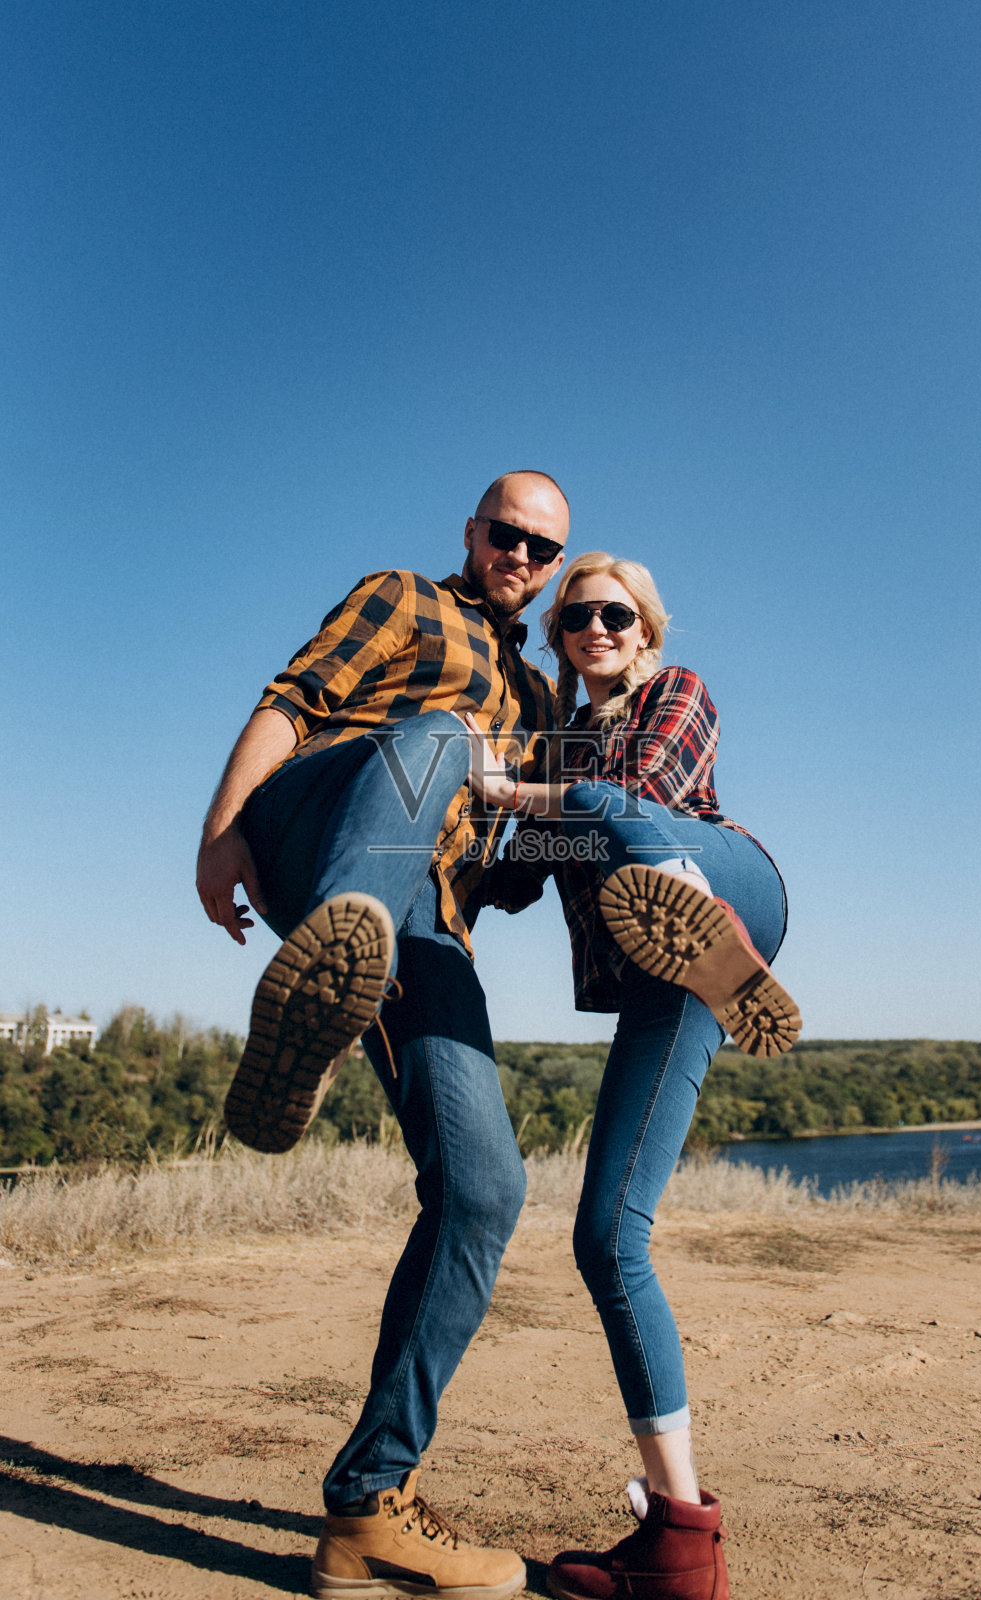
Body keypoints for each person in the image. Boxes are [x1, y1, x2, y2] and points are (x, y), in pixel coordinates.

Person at [195, 471, 571, 1600]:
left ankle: (367, 1507)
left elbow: (518, 880)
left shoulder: (547, 706)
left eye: (543, 549)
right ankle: (332, 956)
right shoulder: (408, 598)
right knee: (444, 737)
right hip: (321, 817)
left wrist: (614, 827)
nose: (521, 557)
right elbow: (290, 700)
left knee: (485, 1189)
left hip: (425, 914)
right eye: (506, 534)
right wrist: (217, 840)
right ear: (473, 533)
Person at [467, 551, 801, 1600]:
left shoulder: (676, 693)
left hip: (732, 882)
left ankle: (703, 918)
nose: (596, 629)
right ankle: (680, 1539)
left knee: (618, 808)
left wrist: (512, 788)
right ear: (562, 639)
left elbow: (639, 793)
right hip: (669, 967)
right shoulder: (563, 739)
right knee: (607, 1234)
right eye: (577, 619)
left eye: (615, 614)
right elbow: (513, 877)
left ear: (646, 630)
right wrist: (429, 886)